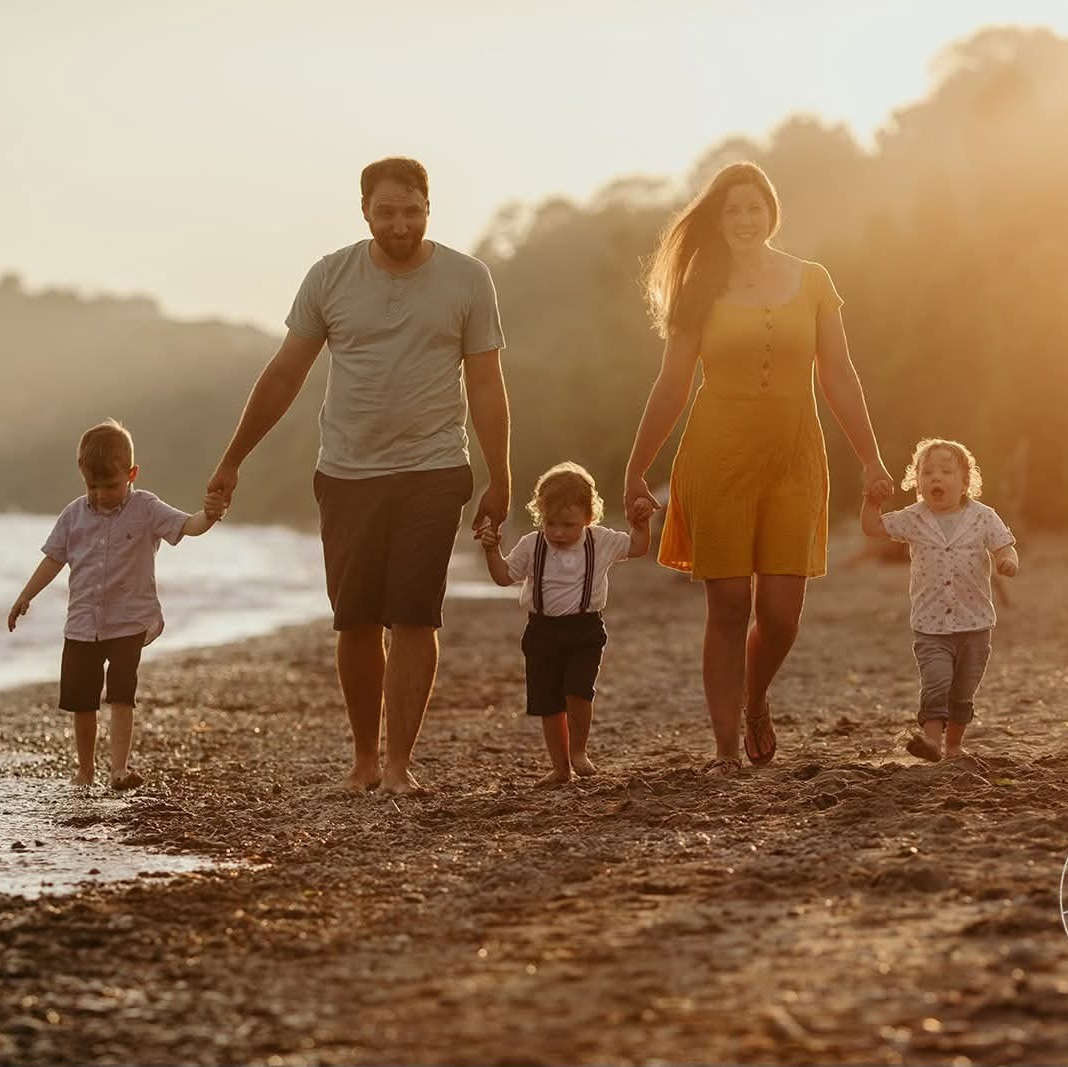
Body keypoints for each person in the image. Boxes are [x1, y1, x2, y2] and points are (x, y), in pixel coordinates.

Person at [206, 157, 510, 796]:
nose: (400, 224)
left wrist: (500, 474)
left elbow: (486, 383)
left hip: (434, 467)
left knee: (416, 616)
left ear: (428, 208)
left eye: (411, 211)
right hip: (347, 472)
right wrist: (233, 458)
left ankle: (399, 765)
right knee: (356, 620)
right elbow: (285, 374)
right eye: (386, 212)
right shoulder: (330, 276)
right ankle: (365, 760)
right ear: (365, 211)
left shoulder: (467, 278)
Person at [623, 161, 893, 775]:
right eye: (731, 210)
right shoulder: (699, 289)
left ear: (772, 212)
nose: (744, 219)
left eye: (754, 207)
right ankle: (724, 749)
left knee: (780, 615)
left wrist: (871, 457)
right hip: (717, 458)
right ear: (717, 220)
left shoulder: (814, 280)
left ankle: (755, 696)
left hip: (795, 459)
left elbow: (839, 375)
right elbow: (671, 384)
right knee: (727, 606)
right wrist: (638, 466)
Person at [6, 419, 222, 788]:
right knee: (82, 702)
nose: (101, 494)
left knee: (122, 695)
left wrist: (210, 516)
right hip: (82, 626)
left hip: (128, 623)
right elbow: (53, 559)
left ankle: (118, 769)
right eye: (92, 486)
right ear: (82, 475)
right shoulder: (73, 515)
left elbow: (187, 525)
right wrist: (26, 595)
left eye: (110, 486)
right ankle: (85, 770)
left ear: (131, 474)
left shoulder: (146, 508)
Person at [476, 462, 653, 786]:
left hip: (585, 631)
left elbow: (638, 547)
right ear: (540, 516)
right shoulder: (531, 545)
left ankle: (578, 751)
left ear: (589, 517)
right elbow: (503, 576)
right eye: (551, 523)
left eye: (568, 525)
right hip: (541, 632)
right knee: (548, 703)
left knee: (578, 691)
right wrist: (492, 549)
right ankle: (560, 768)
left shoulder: (600, 541)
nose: (558, 532)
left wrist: (640, 524)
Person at [861, 437, 1018, 762]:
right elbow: (872, 527)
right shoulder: (914, 518)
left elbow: (1004, 545)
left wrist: (1007, 561)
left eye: (947, 471)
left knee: (962, 692)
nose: (936, 477)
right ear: (917, 482)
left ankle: (954, 745)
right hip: (930, 626)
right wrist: (871, 501)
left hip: (976, 625)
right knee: (936, 683)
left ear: (965, 482)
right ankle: (931, 742)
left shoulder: (983, 517)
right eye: (928, 472)